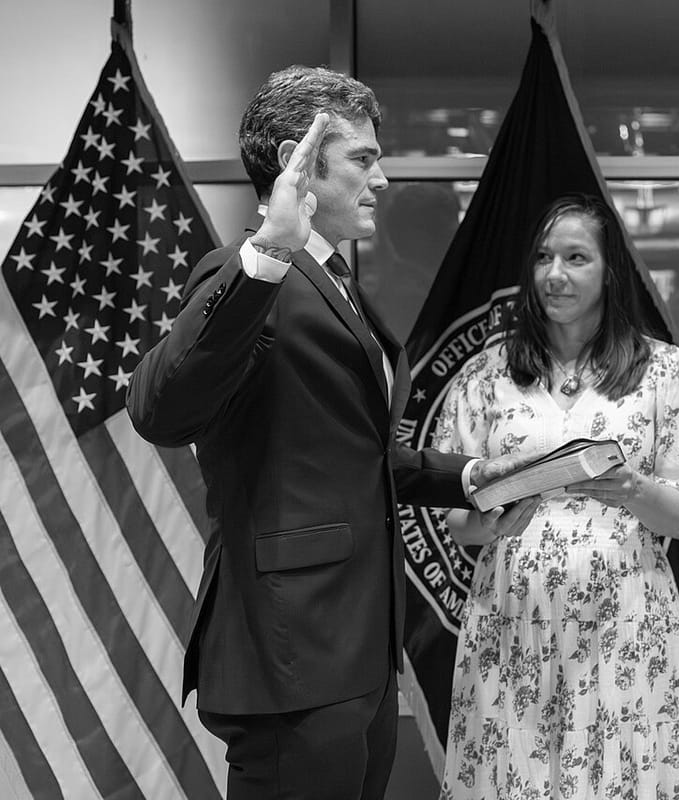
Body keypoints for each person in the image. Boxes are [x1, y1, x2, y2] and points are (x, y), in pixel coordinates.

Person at [127, 66, 534, 800]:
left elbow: (346, 452)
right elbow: (160, 410)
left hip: (357, 654)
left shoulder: (337, 282)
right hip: (292, 660)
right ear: (299, 159)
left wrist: (467, 478)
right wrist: (266, 255)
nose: (380, 180)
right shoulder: (246, 274)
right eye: (363, 160)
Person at [432, 193, 679, 799]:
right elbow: (454, 519)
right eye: (543, 257)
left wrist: (631, 487)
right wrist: (493, 522)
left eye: (576, 257)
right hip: (511, 624)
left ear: (609, 271)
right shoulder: (486, 374)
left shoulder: (665, 372)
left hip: (626, 626)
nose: (554, 274)